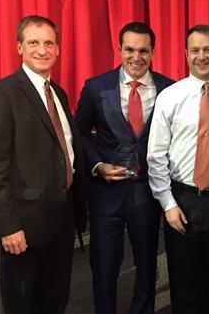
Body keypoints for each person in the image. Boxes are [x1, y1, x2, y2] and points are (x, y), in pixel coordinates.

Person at [0, 15, 87, 314]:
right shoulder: (1, 94)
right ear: (19, 48)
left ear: (58, 49)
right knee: (18, 306)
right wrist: (7, 226)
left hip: (61, 221)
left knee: (53, 302)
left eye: (49, 43)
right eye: (33, 42)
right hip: (22, 228)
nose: (42, 50)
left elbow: (65, 151)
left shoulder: (59, 94)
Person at [74, 22, 174, 314]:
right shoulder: (95, 87)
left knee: (146, 266)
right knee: (104, 266)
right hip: (106, 193)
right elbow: (78, 134)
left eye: (144, 50)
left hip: (147, 192)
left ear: (153, 52)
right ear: (119, 50)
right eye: (129, 49)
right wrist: (97, 165)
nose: (136, 56)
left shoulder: (170, 88)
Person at [147, 24, 209, 314]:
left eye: (208, 49)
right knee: (184, 283)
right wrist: (167, 204)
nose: (202, 56)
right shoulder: (170, 97)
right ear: (186, 54)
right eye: (195, 50)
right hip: (182, 201)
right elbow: (156, 155)